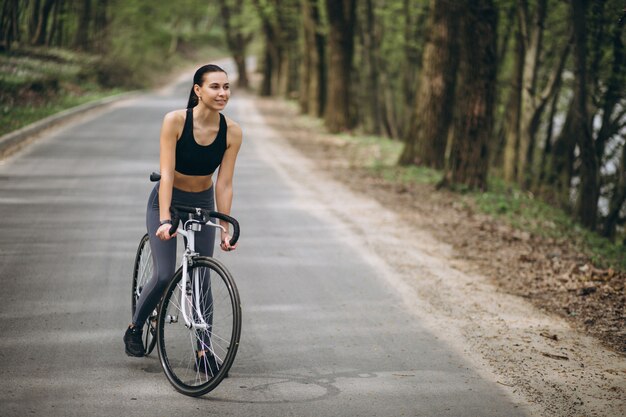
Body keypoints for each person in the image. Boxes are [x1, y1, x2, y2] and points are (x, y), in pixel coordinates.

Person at [123, 64, 242, 364]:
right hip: (168, 201)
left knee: (202, 274)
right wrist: (165, 219)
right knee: (164, 274)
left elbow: (224, 183)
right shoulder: (175, 121)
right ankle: (135, 327)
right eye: (215, 86)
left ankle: (204, 350)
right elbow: (166, 174)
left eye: (226, 87)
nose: (222, 93)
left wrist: (224, 226)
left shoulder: (232, 132)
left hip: (202, 202)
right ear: (197, 90)